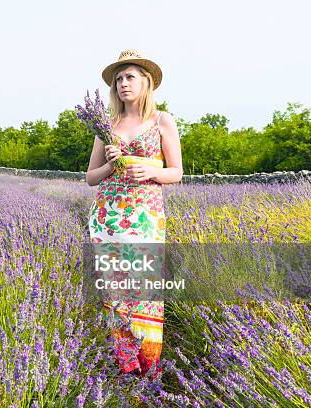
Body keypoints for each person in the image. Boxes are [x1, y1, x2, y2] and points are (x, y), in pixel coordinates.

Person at [86, 49, 183, 379]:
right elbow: (90, 178)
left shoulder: (161, 120)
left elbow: (177, 172)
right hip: (107, 218)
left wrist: (151, 171)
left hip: (144, 219)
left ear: (147, 82)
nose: (124, 83)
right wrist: (111, 165)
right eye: (119, 79)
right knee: (114, 295)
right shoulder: (106, 124)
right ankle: (124, 370)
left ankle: (147, 370)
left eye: (130, 77)